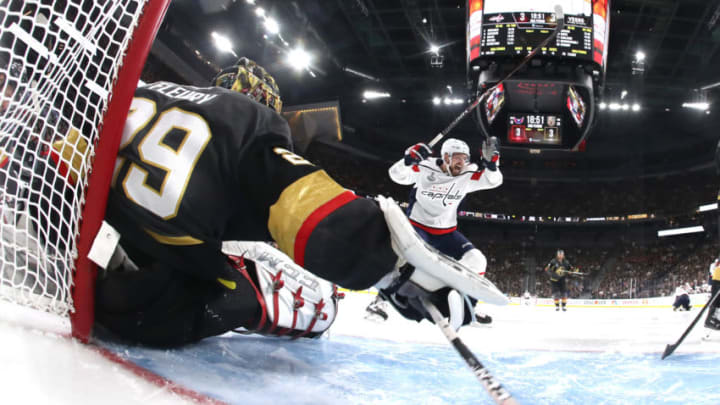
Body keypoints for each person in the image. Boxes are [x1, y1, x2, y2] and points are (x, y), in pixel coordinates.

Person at [6, 57, 495, 346]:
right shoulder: (248, 124)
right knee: (241, 295)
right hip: (153, 269)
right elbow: (315, 215)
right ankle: (267, 297)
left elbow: (57, 150)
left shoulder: (140, 88)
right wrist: (396, 270)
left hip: (66, 222)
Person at [387, 136, 502, 327]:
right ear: (446, 157)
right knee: (405, 259)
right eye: (457, 157)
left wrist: (492, 165)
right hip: (417, 228)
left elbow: (494, 181)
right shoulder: (425, 167)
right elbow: (396, 175)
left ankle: (468, 306)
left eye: (465, 158)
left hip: (446, 233)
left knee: (477, 260)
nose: (462, 162)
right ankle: (382, 301)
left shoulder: (468, 174)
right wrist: (408, 160)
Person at [705, 257, 720, 331]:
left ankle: (711, 319)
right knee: (716, 302)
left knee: (716, 302)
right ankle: (711, 320)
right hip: (718, 280)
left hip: (717, 279)